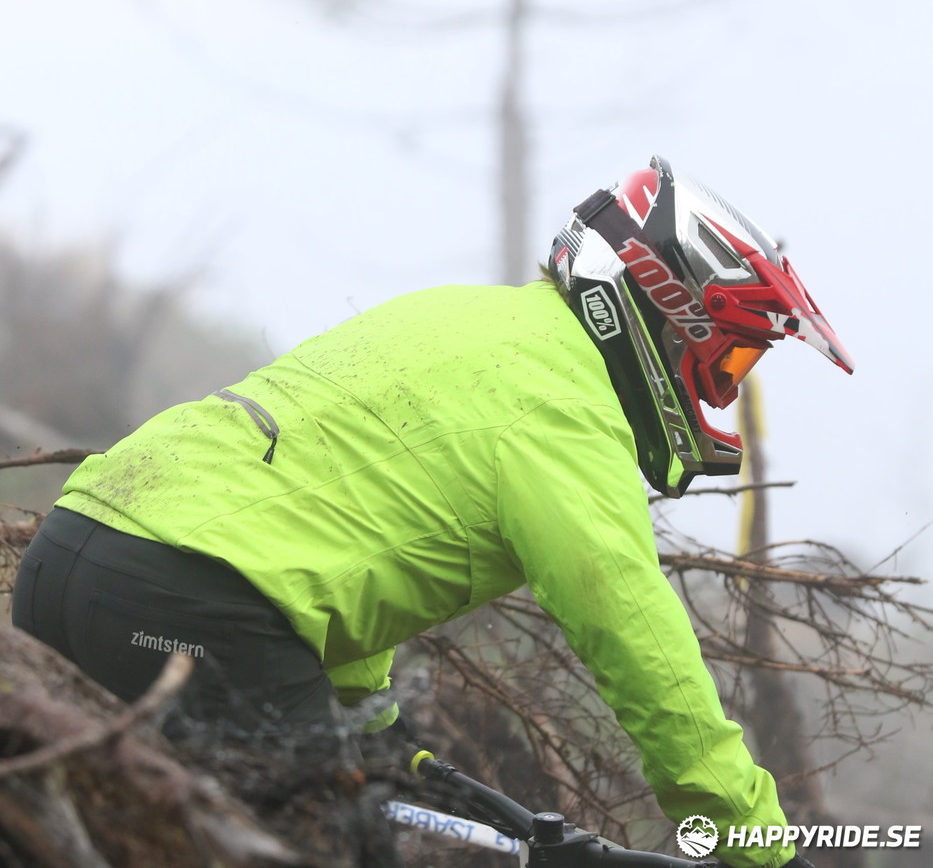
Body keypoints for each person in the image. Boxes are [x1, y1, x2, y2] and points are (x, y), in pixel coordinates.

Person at [13, 156, 852, 868]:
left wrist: (373, 725)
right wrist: (755, 842)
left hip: (68, 550)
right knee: (325, 846)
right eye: (730, 355)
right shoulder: (566, 415)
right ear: (671, 316)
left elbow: (328, 510)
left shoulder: (463, 316)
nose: (725, 385)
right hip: (196, 599)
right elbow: (642, 652)